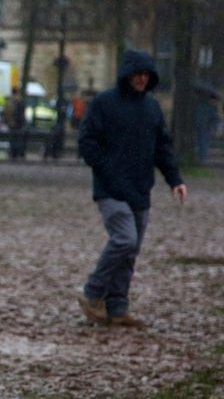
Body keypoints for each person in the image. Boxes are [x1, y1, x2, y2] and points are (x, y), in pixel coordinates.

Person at [76, 49, 187, 327]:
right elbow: (87, 141)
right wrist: (107, 169)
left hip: (140, 189)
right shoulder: (104, 103)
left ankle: (117, 307)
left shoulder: (152, 108)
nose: (141, 78)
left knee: (131, 250)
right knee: (125, 239)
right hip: (110, 189)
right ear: (126, 74)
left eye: (146, 74)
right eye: (137, 73)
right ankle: (92, 292)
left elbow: (162, 147)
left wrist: (175, 180)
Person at [3, 86, 26, 160]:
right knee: (18, 139)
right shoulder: (21, 100)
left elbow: (6, 112)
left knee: (12, 139)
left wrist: (8, 121)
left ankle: (13, 154)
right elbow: (23, 112)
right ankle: (18, 153)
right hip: (19, 123)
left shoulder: (9, 101)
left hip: (12, 122)